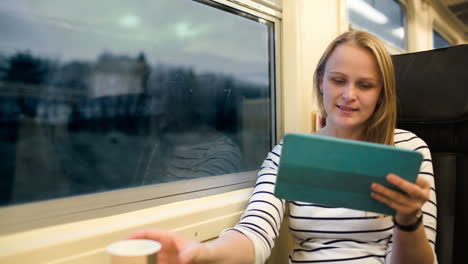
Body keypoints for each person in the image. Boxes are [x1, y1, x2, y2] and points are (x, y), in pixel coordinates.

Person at [128, 31, 437, 264]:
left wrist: (408, 221)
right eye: (338, 80)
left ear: (381, 93)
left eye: (365, 85)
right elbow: (255, 230)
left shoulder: (408, 150)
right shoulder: (290, 153)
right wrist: (203, 253)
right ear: (320, 82)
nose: (348, 95)